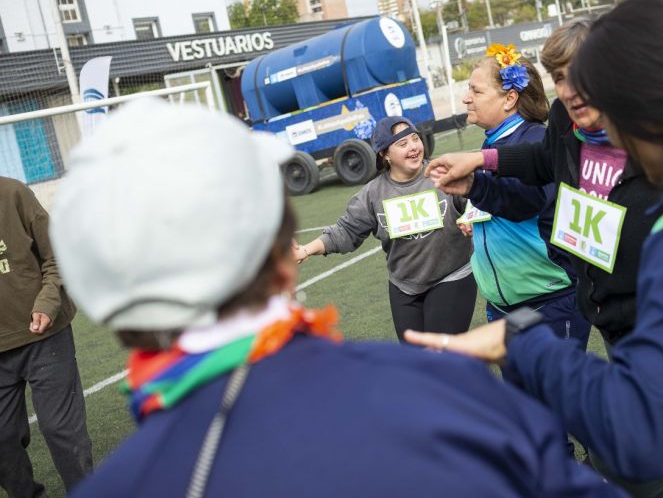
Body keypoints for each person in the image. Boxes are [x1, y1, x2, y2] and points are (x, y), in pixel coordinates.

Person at [50, 99, 625, 498]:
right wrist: (533, 352)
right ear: (283, 250)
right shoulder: (443, 391)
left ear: (109, 315)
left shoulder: (119, 486)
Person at [407, 0, 663, 497]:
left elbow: (636, 428)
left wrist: (521, 343)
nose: (582, 107)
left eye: (597, 90)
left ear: (642, 95)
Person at [294, 116, 476, 340]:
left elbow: (476, 201)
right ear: (385, 154)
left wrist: (470, 217)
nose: (413, 147)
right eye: (402, 144)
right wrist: (305, 250)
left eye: (415, 139)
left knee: (440, 355)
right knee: (413, 361)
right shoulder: (372, 194)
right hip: (404, 286)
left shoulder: (443, 173)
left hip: (451, 276)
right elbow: (346, 231)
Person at [460, 44, 590, 349]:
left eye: (476, 91)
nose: (466, 97)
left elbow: (525, 200)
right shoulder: (490, 143)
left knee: (557, 396)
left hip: (549, 304)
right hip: (504, 307)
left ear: (509, 98)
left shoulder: (535, 140)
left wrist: (472, 187)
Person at [0, 177, 93, 496]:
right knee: (2, 440)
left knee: (63, 433)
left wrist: (47, 302)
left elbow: (57, 257)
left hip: (45, 338)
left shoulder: (12, 194)